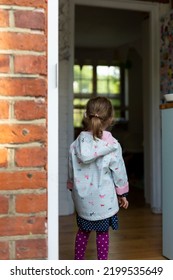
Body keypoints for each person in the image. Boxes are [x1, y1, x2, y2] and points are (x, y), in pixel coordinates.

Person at [67, 96, 129, 260]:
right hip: (105, 201)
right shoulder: (112, 145)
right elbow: (119, 172)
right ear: (110, 119)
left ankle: (78, 264)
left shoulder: (75, 144)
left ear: (86, 116)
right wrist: (122, 193)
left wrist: (72, 187)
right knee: (102, 233)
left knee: (83, 231)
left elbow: (71, 171)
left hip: (83, 199)